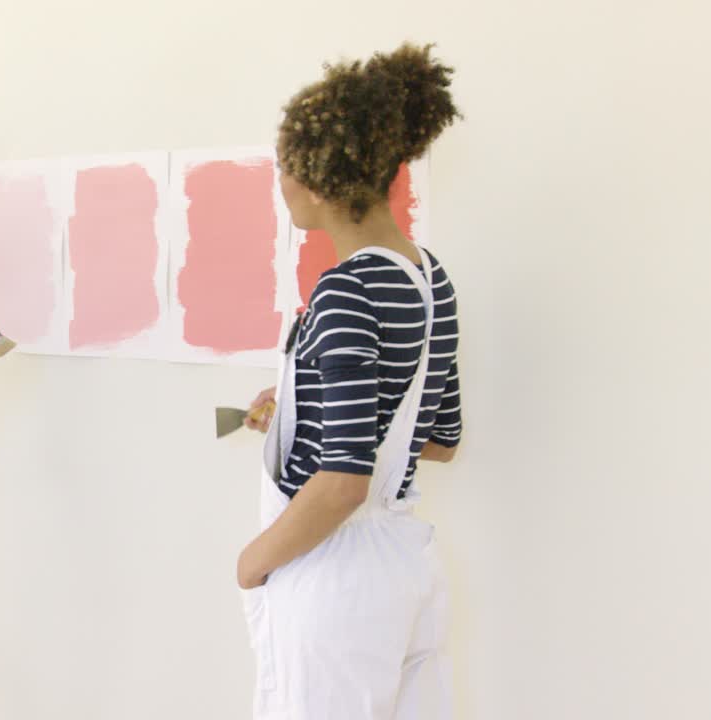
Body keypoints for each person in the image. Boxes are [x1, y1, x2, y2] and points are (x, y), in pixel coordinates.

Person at [236, 44, 464, 719]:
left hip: (333, 579)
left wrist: (252, 564)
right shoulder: (430, 279)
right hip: (405, 570)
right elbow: (440, 436)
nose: (278, 180)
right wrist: (305, 407)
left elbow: (341, 482)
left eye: (283, 167)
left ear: (317, 179)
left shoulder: (342, 291)